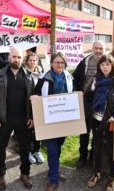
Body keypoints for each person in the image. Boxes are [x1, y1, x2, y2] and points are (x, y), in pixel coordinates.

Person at [0, 47, 35, 190]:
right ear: (9, 58)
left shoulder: (28, 75)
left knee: (25, 147)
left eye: (19, 57)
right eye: (14, 57)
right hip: (4, 119)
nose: (17, 60)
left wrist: (32, 117)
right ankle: (1, 175)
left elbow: (33, 98)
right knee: (1, 148)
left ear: (23, 59)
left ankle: (25, 173)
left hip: (23, 119)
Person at [84, 55, 114, 191]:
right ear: (99, 66)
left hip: (112, 122)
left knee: (112, 150)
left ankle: (112, 177)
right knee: (97, 148)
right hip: (96, 120)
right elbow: (86, 98)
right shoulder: (95, 81)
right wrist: (90, 105)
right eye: (102, 64)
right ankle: (96, 173)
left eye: (107, 64)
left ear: (113, 65)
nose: (105, 67)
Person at [34, 52, 74, 191]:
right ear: (51, 63)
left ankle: (54, 170)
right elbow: (36, 94)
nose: (60, 65)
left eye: (62, 62)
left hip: (64, 120)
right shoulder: (44, 77)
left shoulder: (69, 76)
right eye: (57, 62)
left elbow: (72, 95)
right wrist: (34, 98)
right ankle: (53, 179)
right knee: (52, 148)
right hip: (48, 119)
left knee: (58, 147)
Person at [72, 41, 105, 168]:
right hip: (86, 101)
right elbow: (74, 78)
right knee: (84, 131)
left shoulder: (108, 62)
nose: (98, 50)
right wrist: (78, 91)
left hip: (100, 102)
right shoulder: (85, 62)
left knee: (97, 131)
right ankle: (82, 157)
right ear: (92, 48)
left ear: (104, 49)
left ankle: (92, 157)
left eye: (100, 48)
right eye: (96, 48)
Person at [23, 52, 45, 164]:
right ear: (27, 61)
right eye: (30, 60)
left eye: (34, 60)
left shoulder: (41, 73)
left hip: (39, 107)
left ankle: (37, 150)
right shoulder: (24, 74)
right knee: (28, 131)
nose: (32, 62)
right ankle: (28, 152)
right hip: (28, 107)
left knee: (38, 131)